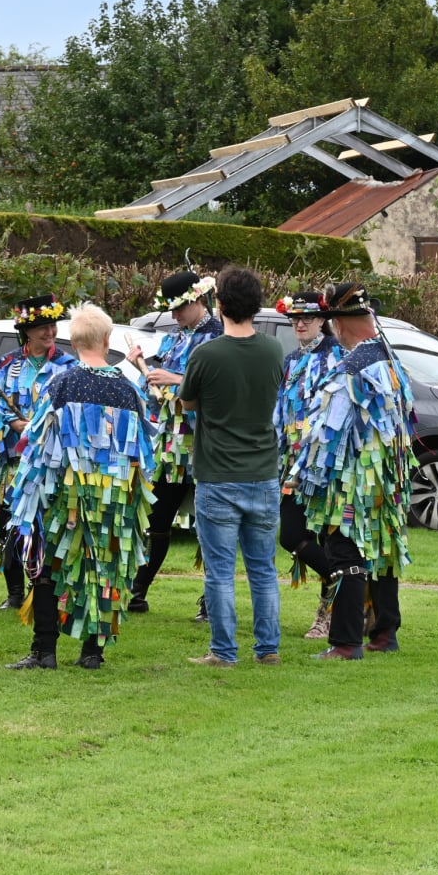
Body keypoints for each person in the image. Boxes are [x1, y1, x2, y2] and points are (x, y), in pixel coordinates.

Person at [5, 303, 155, 670]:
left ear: (72, 341)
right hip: (114, 496)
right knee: (104, 568)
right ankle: (92, 651)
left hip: (64, 496)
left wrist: (30, 492)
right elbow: (143, 452)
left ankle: (45, 651)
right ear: (107, 340)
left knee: (49, 566)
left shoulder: (61, 383)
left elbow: (39, 444)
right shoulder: (127, 389)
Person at [290, 282, 418, 660]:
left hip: (355, 474)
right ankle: (384, 633)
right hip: (386, 474)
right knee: (381, 544)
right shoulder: (389, 360)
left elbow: (328, 431)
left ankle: (346, 642)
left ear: (339, 325)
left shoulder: (353, 368)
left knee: (345, 547)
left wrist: (303, 473)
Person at [178, 266, 286, 667]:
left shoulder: (205, 354)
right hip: (263, 474)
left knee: (220, 572)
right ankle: (268, 649)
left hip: (218, 477)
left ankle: (223, 652)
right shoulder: (274, 350)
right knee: (262, 569)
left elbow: (187, 403)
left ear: (218, 304)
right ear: (257, 305)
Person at [124, 271, 221, 618]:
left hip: (207, 445)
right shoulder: (176, 338)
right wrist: (144, 371)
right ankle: (137, 591)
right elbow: (156, 396)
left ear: (199, 300)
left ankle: (212, 602)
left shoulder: (219, 338)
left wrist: (175, 380)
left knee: (210, 525)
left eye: (180, 308)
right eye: (172, 310)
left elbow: (220, 390)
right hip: (171, 446)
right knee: (157, 519)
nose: (175, 316)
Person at [0, 293, 75, 610]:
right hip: (13, 464)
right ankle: (15, 591)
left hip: (49, 464)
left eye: (52, 325)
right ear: (26, 331)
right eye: (42, 326)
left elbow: (76, 411)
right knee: (10, 527)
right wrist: (13, 423)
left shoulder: (68, 366)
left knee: (47, 526)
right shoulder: (6, 365)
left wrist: (47, 425)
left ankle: (44, 589)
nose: (50, 332)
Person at [274, 290, 346, 640]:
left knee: (329, 540)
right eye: (294, 318)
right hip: (293, 464)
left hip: (326, 465)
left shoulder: (337, 357)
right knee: (291, 535)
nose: (300, 323)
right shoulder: (290, 360)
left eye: (307, 318)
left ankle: (328, 615)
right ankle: (340, 578)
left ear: (323, 320)